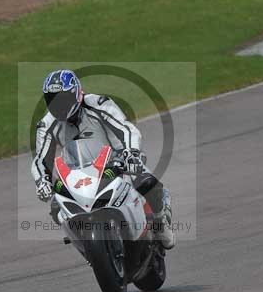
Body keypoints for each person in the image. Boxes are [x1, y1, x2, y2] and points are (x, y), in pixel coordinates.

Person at [31, 69, 175, 249]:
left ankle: (161, 223)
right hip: (79, 174)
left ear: (76, 93)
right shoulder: (46, 124)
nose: (59, 106)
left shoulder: (98, 103)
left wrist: (132, 153)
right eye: (53, 100)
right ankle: (84, 244)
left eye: (63, 99)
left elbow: (126, 129)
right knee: (56, 206)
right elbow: (40, 160)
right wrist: (42, 181)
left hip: (117, 161)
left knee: (147, 182)